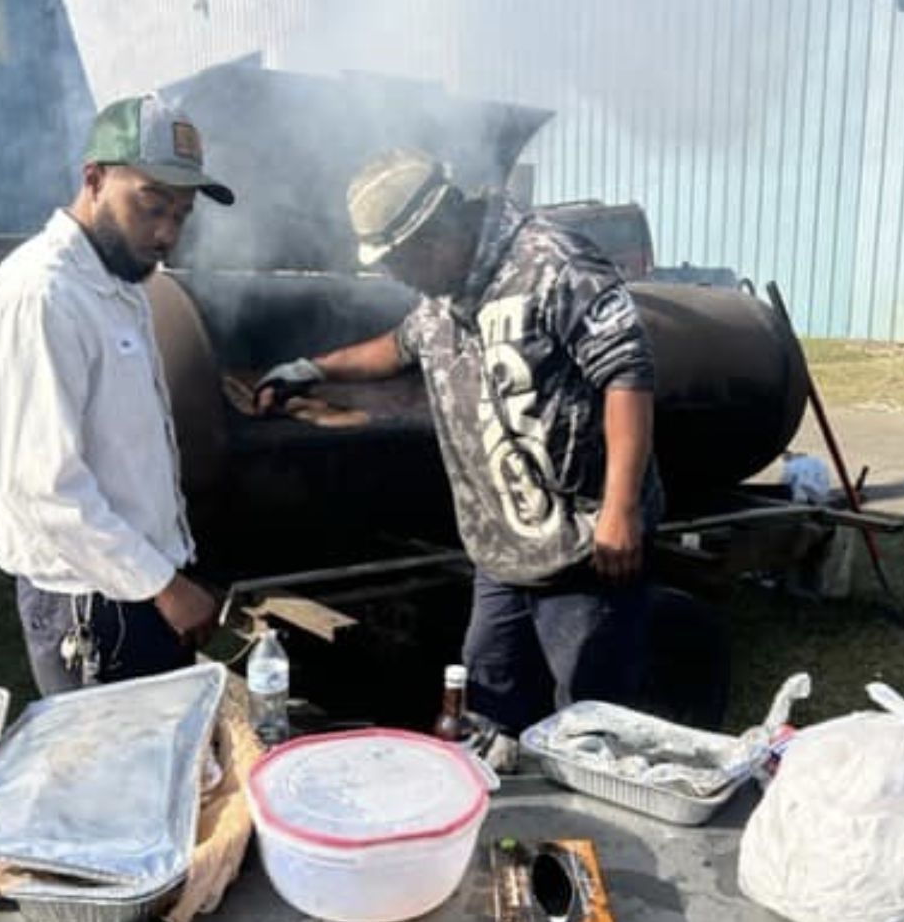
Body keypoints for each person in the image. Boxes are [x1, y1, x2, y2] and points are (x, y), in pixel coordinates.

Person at [255, 148, 663, 766]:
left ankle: (589, 836)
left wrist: (620, 507)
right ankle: (501, 818)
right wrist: (307, 370)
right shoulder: (444, 290)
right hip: (501, 553)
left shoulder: (551, 261)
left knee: (587, 724)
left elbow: (627, 373)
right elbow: (396, 348)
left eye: (400, 260)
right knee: (484, 704)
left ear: (440, 228)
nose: (398, 276)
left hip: (582, 550)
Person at [0, 93, 234, 695]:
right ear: (94, 178)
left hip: (136, 589)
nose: (166, 233)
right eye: (151, 205)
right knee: (105, 784)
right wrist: (164, 584)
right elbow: (42, 488)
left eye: (181, 215)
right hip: (90, 607)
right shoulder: (42, 299)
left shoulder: (118, 282)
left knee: (155, 775)